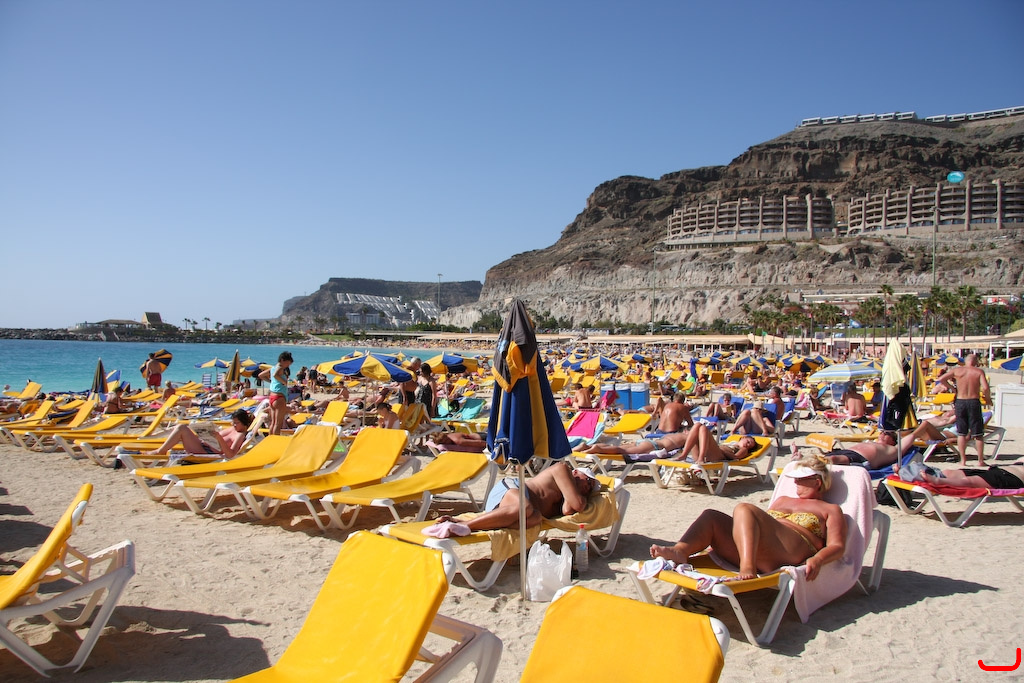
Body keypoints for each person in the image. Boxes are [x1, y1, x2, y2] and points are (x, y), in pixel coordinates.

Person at [649, 456, 846, 580]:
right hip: (762, 548)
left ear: (817, 482)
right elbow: (756, 526)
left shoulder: (829, 509)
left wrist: (818, 559)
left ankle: (747, 568)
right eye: (795, 479)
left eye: (801, 480)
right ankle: (680, 551)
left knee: (744, 509)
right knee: (711, 517)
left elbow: (837, 546)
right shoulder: (783, 500)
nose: (795, 483)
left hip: (791, 550)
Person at [436, 462, 600, 530]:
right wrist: (578, 495)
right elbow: (578, 505)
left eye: (590, 488)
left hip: (518, 511)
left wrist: (575, 493)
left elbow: (567, 510)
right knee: (526, 508)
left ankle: (469, 525)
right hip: (513, 489)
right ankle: (465, 526)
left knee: (535, 517)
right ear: (576, 472)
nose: (588, 487)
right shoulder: (562, 468)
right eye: (588, 481)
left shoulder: (568, 495)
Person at [936, 353, 992, 466]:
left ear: (965, 361)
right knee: (978, 433)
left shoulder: (957, 370)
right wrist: (988, 399)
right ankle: (980, 461)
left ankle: (963, 460)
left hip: (960, 401)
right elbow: (985, 388)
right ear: (975, 362)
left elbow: (941, 379)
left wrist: (953, 389)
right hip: (973, 401)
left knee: (961, 433)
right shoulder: (978, 372)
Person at [147, 409, 254, 458]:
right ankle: (161, 450)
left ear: (244, 423)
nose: (233, 425)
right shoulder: (232, 429)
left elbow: (230, 455)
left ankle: (160, 451)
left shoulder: (240, 435)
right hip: (202, 444)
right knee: (181, 427)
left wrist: (219, 438)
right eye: (233, 422)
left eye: (236, 423)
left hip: (206, 452)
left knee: (181, 428)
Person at [261, 351, 293, 435]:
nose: (288, 366)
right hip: (279, 398)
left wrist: (271, 381)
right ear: (282, 360)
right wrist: (284, 382)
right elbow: (275, 375)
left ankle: (270, 439)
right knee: (278, 424)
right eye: (287, 363)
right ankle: (275, 440)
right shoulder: (280, 368)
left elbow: (261, 375)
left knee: (273, 423)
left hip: (272, 397)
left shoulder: (272, 368)